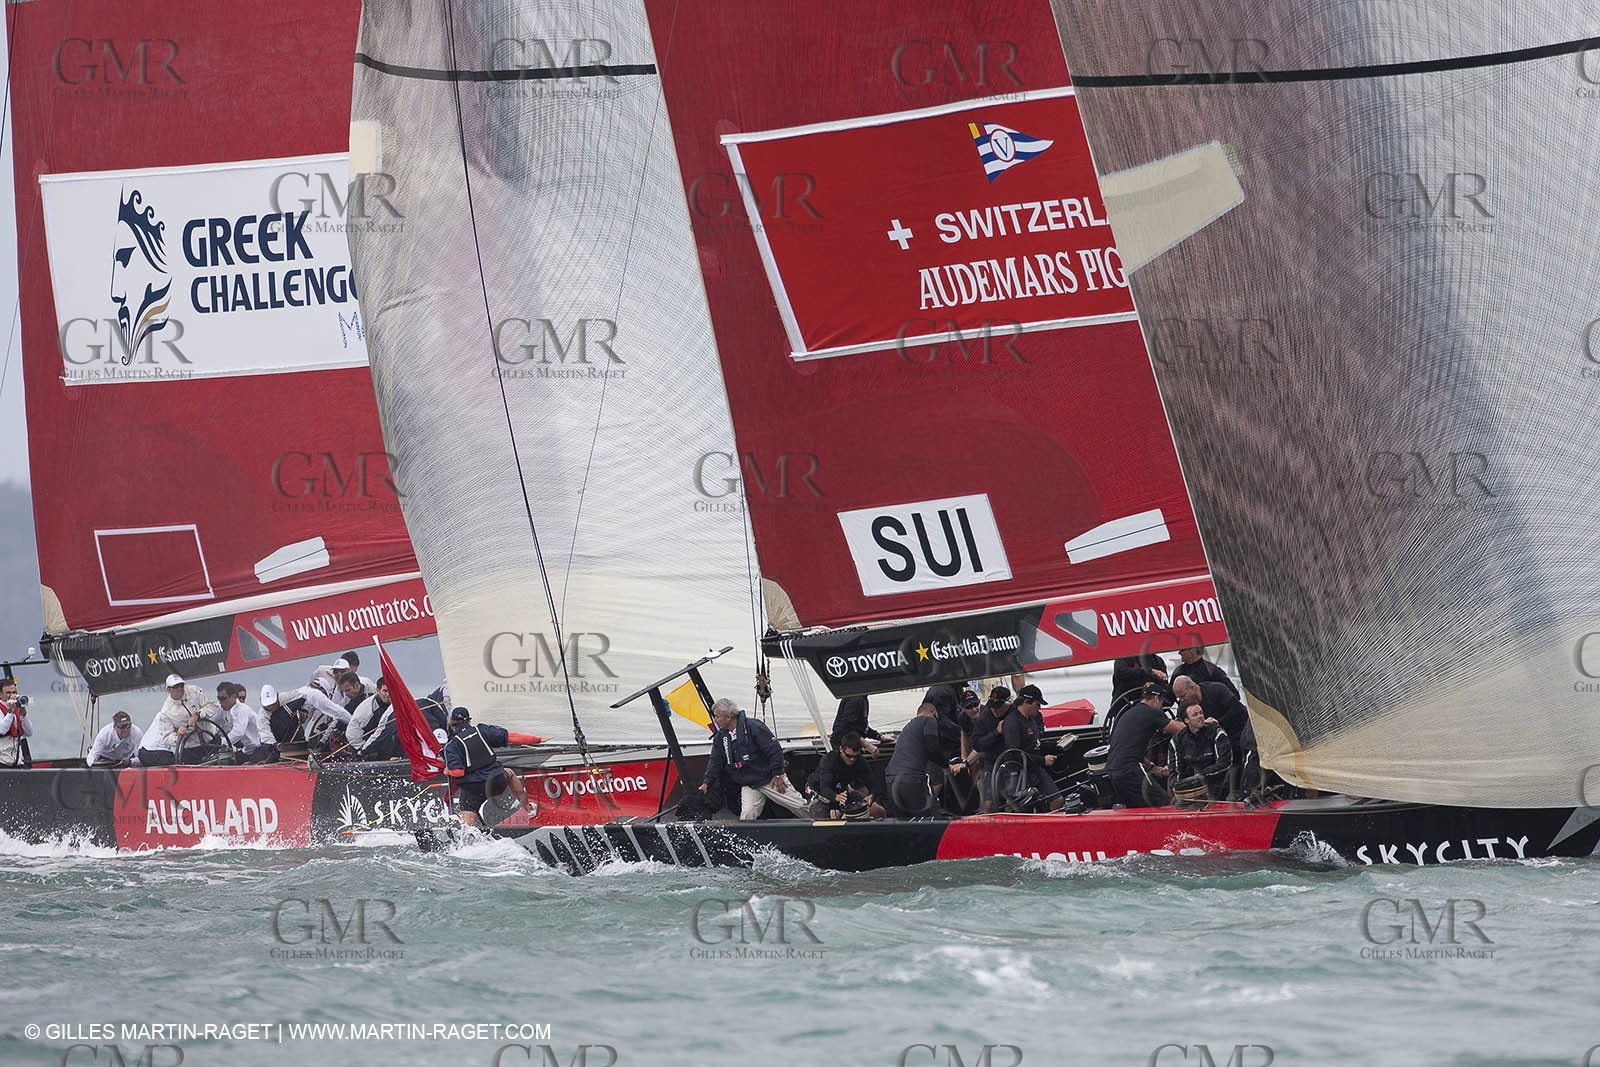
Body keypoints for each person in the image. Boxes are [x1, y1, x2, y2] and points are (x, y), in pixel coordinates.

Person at [699, 698, 809, 820]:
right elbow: (715, 760)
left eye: (717, 716)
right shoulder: (721, 737)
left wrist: (778, 774)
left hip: (770, 779)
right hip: (749, 784)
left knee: (799, 806)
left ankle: (822, 824)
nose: (715, 720)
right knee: (747, 815)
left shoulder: (754, 727)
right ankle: (748, 838)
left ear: (728, 717)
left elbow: (774, 750)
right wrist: (707, 782)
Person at [442, 707, 542, 827]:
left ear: (452, 723)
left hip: (475, 789)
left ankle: (467, 837)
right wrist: (537, 739)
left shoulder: (451, 745)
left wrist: (448, 770)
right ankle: (529, 809)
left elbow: (458, 772)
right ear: (469, 720)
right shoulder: (482, 730)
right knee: (509, 773)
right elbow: (511, 737)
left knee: (467, 813)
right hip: (497, 781)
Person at [1104, 682, 1186, 808]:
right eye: (1162, 703)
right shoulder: (1152, 712)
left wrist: (1152, 767)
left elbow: (1129, 749)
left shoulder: (1129, 713)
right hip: (1129, 769)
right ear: (1156, 699)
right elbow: (1177, 728)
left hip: (1113, 770)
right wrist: (1201, 723)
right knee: (1162, 802)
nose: (1161, 707)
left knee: (1137, 806)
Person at [883, 699, 964, 817]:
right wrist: (946, 767)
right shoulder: (928, 720)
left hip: (891, 781)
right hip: (912, 779)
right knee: (931, 820)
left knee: (905, 825)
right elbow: (932, 747)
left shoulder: (908, 727)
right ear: (933, 713)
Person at [999, 684, 1061, 810]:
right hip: (1019, 771)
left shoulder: (1031, 719)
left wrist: (1057, 743)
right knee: (1022, 809)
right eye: (1037, 704)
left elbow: (1036, 744)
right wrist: (1043, 760)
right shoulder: (1012, 722)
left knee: (1057, 800)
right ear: (1027, 702)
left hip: (1034, 768)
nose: (1039, 708)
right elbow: (1014, 753)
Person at [806, 733, 884, 820]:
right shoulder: (829, 760)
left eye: (855, 756)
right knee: (826, 818)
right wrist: (835, 800)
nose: (852, 759)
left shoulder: (860, 762)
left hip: (842, 791)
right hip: (819, 793)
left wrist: (872, 796)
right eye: (848, 756)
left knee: (878, 811)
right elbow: (825, 787)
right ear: (841, 749)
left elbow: (874, 783)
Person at [149, 674, 222, 765]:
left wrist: (198, 715)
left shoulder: (195, 691)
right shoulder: (166, 712)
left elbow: (212, 706)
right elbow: (167, 736)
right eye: (175, 687)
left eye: (181, 685)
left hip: (211, 740)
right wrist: (179, 735)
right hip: (190, 749)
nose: (179, 689)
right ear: (168, 690)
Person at [1168, 701, 1233, 801]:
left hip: (1217, 787)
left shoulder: (1217, 732)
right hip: (1190, 790)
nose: (1200, 716)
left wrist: (1201, 776)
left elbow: (1225, 763)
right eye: (1195, 715)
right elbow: (1175, 770)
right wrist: (1179, 787)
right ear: (1186, 720)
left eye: (1201, 713)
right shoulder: (1177, 740)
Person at [969, 686, 1012, 811]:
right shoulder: (985, 716)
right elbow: (976, 744)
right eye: (992, 706)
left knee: (1013, 803)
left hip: (1012, 761)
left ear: (1007, 703)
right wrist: (996, 733)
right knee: (988, 805)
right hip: (991, 761)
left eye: (998, 707)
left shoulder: (1015, 712)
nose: (995, 710)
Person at [216, 682, 267, 762]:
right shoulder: (221, 708)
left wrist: (220, 742)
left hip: (260, 749)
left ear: (233, 696)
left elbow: (238, 733)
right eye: (218, 699)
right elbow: (212, 719)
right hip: (247, 750)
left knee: (228, 764)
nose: (220, 702)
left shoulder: (242, 709)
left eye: (223, 699)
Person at [347, 677, 394, 754]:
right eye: (385, 691)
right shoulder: (367, 710)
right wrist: (364, 749)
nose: (388, 694)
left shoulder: (393, 703)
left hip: (379, 741)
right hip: (360, 745)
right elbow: (351, 733)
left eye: (391, 691)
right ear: (378, 691)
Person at [1171, 645, 1239, 697]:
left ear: (1194, 649)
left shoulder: (1212, 671)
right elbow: (1169, 699)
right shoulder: (1178, 671)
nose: (1179, 653)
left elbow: (1234, 694)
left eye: (1182, 650)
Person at [0, 675, 33, 769]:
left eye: (14, 692)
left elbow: (29, 733)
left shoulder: (17, 708)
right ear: (0, 694)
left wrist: (23, 715)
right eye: (8, 693)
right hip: (2, 762)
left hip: (17, 762)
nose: (12, 695)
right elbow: (2, 729)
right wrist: (10, 712)